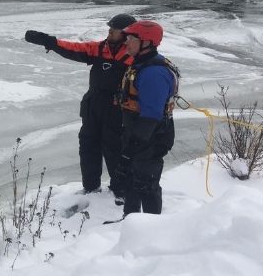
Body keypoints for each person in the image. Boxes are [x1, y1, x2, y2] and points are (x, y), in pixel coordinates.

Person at [24, 14, 136, 203]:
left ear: (126, 33)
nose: (109, 32)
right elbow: (73, 48)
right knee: (88, 145)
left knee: (114, 148)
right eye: (109, 28)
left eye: (113, 29)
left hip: (118, 109)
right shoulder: (100, 48)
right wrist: (49, 41)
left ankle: (121, 191)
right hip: (93, 105)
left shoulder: (134, 54)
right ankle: (91, 188)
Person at [117, 20, 179, 215]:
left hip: (150, 137)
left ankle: (152, 230)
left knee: (145, 183)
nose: (126, 43)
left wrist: (131, 148)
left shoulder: (154, 73)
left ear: (146, 42)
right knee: (131, 179)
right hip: (138, 133)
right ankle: (130, 223)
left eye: (131, 39)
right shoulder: (141, 65)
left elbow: (151, 116)